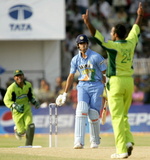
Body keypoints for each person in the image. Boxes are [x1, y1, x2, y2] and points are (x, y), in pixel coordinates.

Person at [82, 2, 144, 159]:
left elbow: (97, 36)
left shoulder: (112, 46)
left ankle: (121, 150)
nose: (110, 33)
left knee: (116, 118)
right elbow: (136, 28)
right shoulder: (130, 42)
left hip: (115, 83)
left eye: (111, 31)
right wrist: (139, 15)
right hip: (129, 83)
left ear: (116, 34)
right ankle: (128, 141)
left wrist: (88, 23)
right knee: (123, 116)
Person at [56, 34, 107, 149]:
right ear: (78, 45)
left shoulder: (97, 57)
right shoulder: (75, 59)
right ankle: (78, 141)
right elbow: (71, 76)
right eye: (80, 44)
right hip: (83, 86)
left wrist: (107, 88)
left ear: (87, 44)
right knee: (81, 110)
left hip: (96, 86)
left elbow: (105, 74)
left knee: (93, 114)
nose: (83, 45)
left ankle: (94, 141)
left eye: (84, 43)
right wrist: (65, 93)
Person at [4, 70, 40, 146]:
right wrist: (14, 105)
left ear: (23, 76)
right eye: (17, 76)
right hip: (17, 111)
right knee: (22, 132)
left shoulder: (28, 85)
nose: (19, 77)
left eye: (20, 75)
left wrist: (34, 102)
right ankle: (17, 130)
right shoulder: (11, 88)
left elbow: (30, 96)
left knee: (30, 126)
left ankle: (29, 145)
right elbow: (6, 100)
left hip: (26, 108)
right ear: (14, 78)